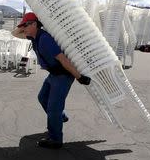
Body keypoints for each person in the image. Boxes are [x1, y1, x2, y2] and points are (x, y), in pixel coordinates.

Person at [12, 12, 91, 149]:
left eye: (26, 25)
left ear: (35, 24)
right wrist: (24, 25)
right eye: (23, 26)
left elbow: (62, 59)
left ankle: (55, 139)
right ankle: (60, 118)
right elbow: (14, 33)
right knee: (42, 97)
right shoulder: (34, 37)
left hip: (63, 75)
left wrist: (79, 77)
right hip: (54, 74)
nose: (23, 29)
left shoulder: (44, 39)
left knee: (54, 107)